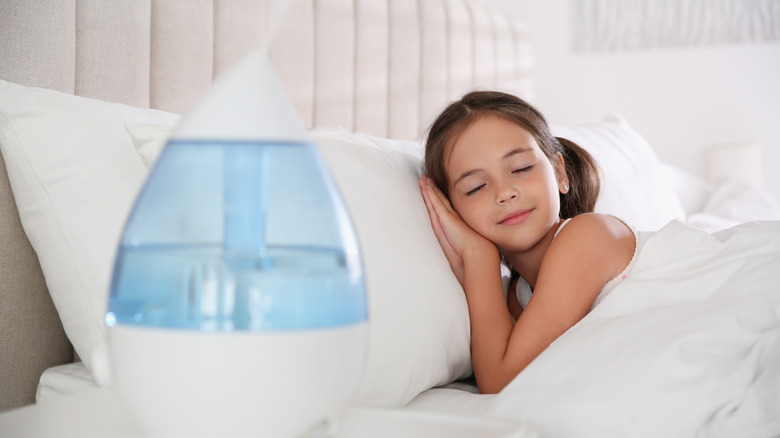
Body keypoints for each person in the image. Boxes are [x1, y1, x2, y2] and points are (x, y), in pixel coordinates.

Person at [418, 90, 637, 394]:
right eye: (476, 187)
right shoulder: (519, 296)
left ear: (560, 172)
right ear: (454, 212)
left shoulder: (589, 235)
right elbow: (507, 368)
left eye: (521, 168)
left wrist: (479, 256)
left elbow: (499, 381)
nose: (505, 192)